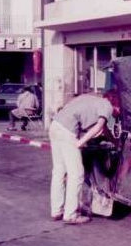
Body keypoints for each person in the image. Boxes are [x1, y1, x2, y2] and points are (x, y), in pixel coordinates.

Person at [49, 90, 121, 225]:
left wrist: (116, 143)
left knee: (59, 171)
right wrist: (80, 143)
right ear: (116, 103)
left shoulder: (90, 99)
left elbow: (104, 129)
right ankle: (70, 215)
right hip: (67, 132)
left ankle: (56, 210)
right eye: (119, 109)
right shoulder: (107, 105)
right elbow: (99, 126)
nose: (118, 113)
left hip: (55, 126)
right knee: (77, 174)